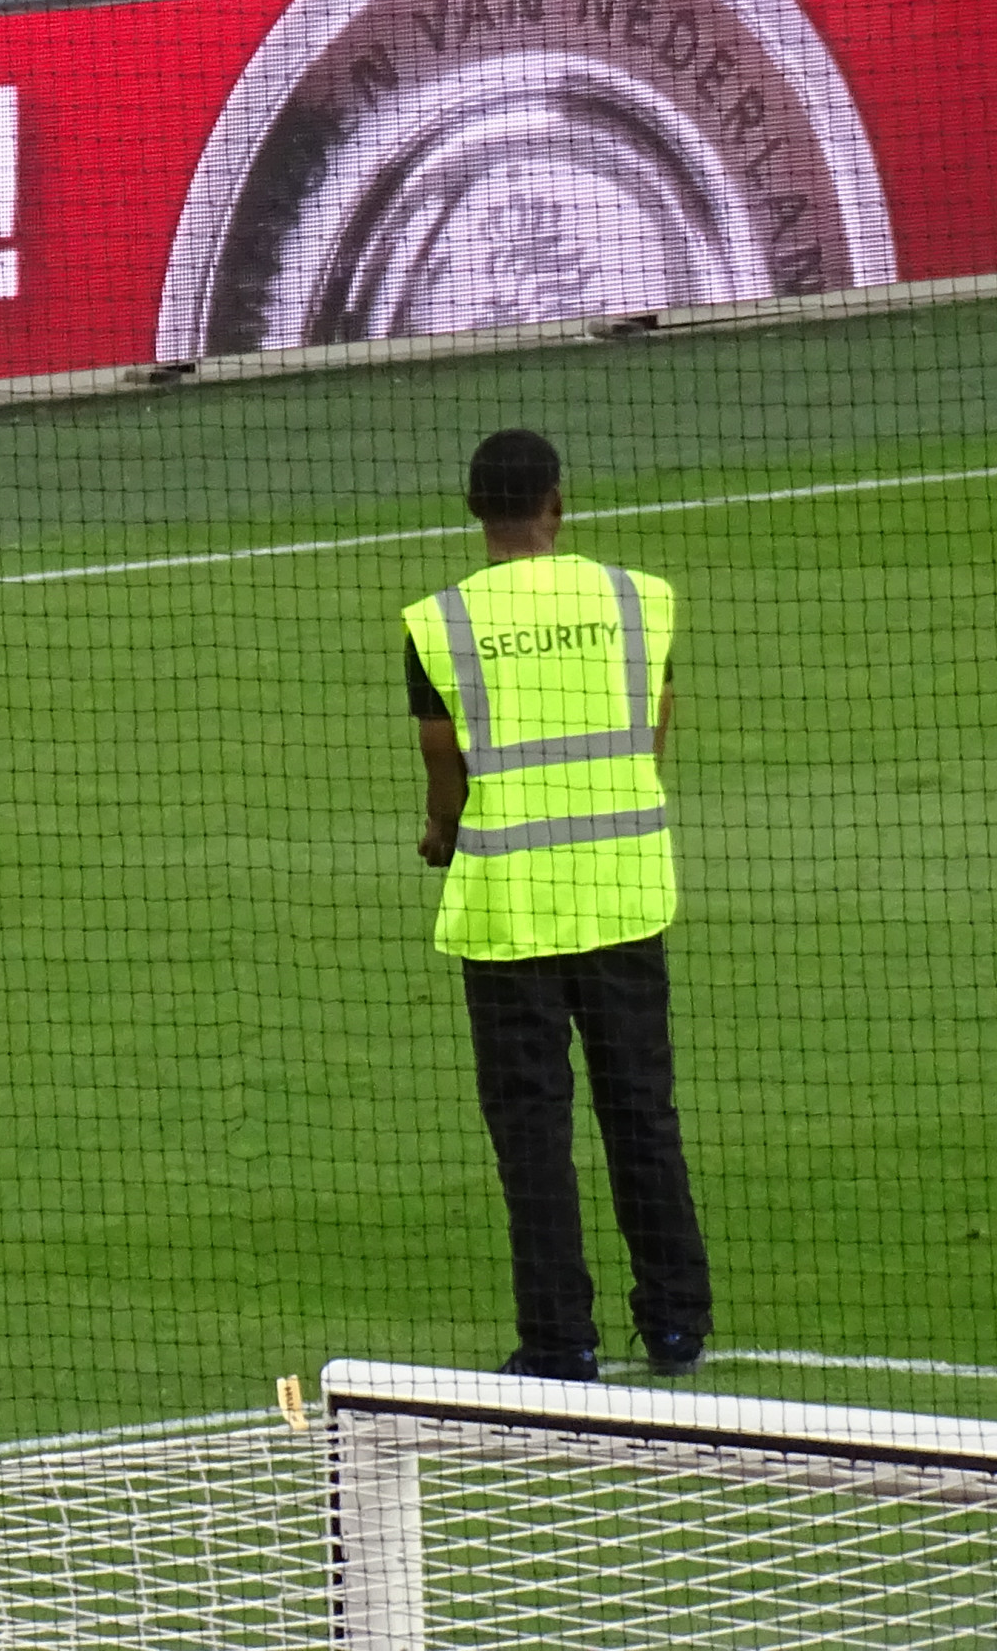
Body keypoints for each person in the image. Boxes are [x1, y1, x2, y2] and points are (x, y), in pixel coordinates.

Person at [406, 428, 711, 1383]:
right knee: (641, 1115)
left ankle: (559, 1341)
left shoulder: (440, 621)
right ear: (559, 502)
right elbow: (653, 725)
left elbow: (440, 758)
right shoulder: (637, 598)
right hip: (622, 894)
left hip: (509, 914)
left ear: (471, 511)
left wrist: (442, 835)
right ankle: (675, 1324)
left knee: (532, 1131)